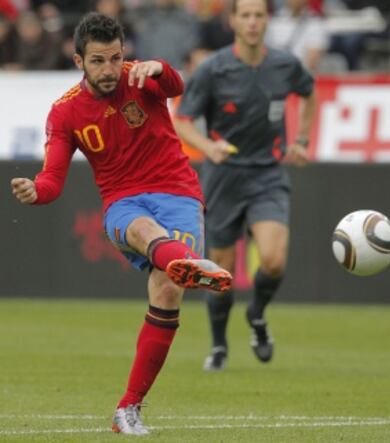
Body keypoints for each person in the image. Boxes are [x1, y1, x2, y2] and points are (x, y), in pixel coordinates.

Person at [10, 12, 232, 435]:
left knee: (167, 289)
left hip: (179, 194)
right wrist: (37, 191)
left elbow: (176, 86)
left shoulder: (141, 77)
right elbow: (54, 178)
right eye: (98, 61)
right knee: (148, 235)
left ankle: (127, 408)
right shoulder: (65, 113)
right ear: (79, 62)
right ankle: (187, 261)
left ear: (123, 53)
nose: (109, 69)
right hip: (123, 203)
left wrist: (162, 68)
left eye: (115, 58)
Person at [174, 0, 317, 371]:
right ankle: (219, 345)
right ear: (233, 20)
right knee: (219, 273)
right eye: (246, 16)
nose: (253, 22)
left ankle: (256, 312)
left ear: (266, 21)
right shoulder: (213, 69)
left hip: (268, 173)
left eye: (259, 16)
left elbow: (309, 92)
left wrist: (301, 140)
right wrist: (208, 147)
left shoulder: (284, 64)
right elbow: (182, 119)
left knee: (272, 260)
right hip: (224, 176)